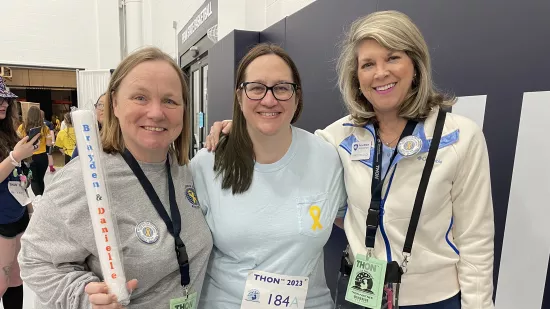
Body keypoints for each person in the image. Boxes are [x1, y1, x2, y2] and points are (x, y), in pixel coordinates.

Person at [207, 11, 494, 309]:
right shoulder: (336, 138)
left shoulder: (460, 137)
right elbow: (281, 142)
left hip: (434, 299)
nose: (380, 73)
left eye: (393, 57)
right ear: (356, 76)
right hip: (360, 293)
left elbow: (475, 239)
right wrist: (242, 127)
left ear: (416, 65)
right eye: (368, 64)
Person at [18, 47, 213, 309]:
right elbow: (35, 260)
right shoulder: (83, 179)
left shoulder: (184, 170)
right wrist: (86, 297)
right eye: (140, 97)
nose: (156, 112)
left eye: (170, 100)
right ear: (115, 104)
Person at [193, 43, 346, 308]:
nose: (269, 99)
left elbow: (349, 218)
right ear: (239, 97)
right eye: (256, 88)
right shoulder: (207, 165)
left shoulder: (327, 158)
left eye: (282, 88)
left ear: (297, 97)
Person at [0, 77, 41, 309]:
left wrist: (29, 208)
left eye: (5, 99)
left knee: (16, 280)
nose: (4, 103)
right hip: (2, 220)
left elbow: (20, 178)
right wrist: (14, 157)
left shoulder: (9, 134)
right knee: (2, 281)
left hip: (18, 216)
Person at [16, 106, 53, 195]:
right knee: (40, 179)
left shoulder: (22, 127)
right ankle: (41, 198)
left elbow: (18, 142)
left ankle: (38, 199)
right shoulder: (45, 128)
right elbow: (49, 144)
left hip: (28, 157)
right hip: (42, 157)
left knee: (33, 180)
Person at [71, 93, 105, 159]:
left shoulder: (125, 138)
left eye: (109, 105)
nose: (103, 109)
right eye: (100, 105)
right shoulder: (88, 136)